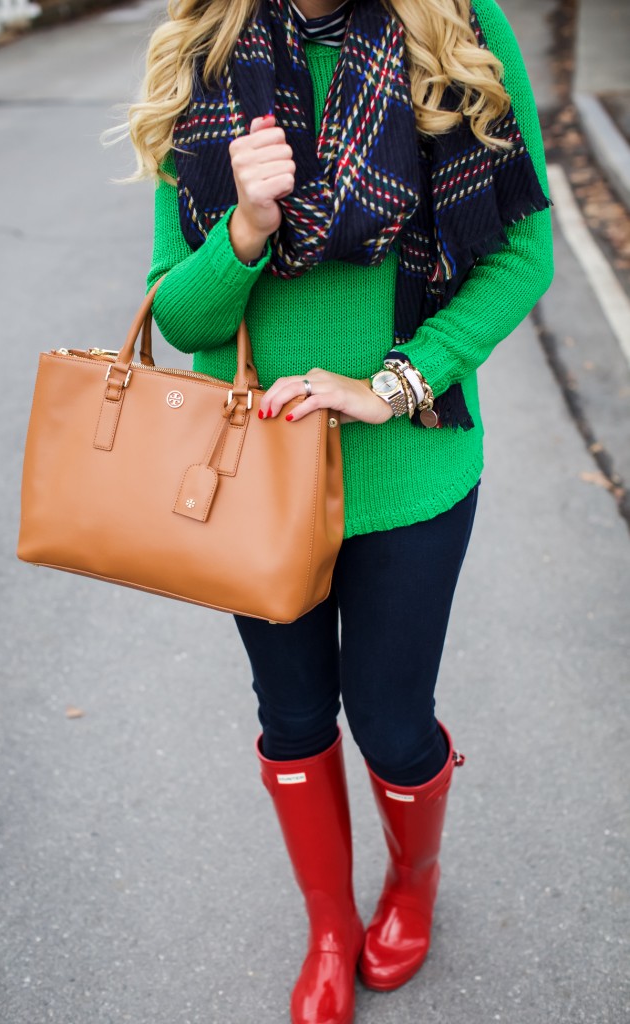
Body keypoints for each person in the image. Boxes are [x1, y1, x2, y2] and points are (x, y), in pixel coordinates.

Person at [127, 1, 553, 1021]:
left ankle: (409, 884)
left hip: (408, 468)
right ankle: (328, 927)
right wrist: (246, 226)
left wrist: (391, 383)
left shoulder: (454, 28)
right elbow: (178, 312)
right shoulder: (206, 53)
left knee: (393, 724)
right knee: (291, 719)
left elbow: (519, 254)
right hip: (260, 484)